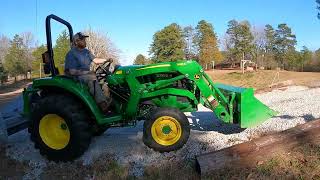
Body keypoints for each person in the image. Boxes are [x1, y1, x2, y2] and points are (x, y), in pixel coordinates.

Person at [64, 32, 111, 112]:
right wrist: (87, 73)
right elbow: (71, 71)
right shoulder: (71, 54)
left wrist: (106, 60)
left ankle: (109, 98)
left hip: (86, 74)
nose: (85, 41)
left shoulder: (86, 52)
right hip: (76, 76)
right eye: (83, 40)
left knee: (105, 76)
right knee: (91, 77)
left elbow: (95, 60)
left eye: (85, 39)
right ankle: (102, 104)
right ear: (76, 41)